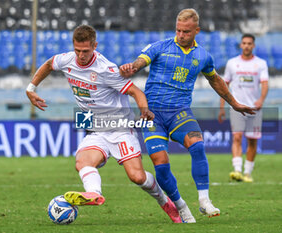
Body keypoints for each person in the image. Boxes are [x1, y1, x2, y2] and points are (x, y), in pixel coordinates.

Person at [26, 25, 183, 223]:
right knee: (82, 162)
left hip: (120, 128)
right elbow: (49, 64)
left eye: (85, 51)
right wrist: (31, 88)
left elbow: (136, 92)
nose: (81, 56)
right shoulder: (66, 60)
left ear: (95, 46)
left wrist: (144, 110)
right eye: (77, 51)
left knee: (137, 177)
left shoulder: (106, 69)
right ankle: (93, 193)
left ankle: (165, 202)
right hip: (96, 128)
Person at [119, 8, 256, 223]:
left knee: (198, 145)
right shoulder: (160, 47)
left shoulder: (203, 56)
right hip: (152, 114)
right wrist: (132, 67)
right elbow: (141, 61)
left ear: (196, 31)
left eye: (186, 31)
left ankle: (204, 200)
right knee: (160, 164)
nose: (181, 35)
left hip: (180, 112)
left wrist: (234, 103)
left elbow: (215, 80)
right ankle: (181, 206)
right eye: (178, 30)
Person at [218, 34, 269, 183]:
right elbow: (223, 86)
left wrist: (261, 100)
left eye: (249, 43)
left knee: (252, 141)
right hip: (237, 107)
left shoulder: (261, 64)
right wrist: (222, 107)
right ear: (241, 45)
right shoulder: (232, 63)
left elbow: (265, 83)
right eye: (244, 43)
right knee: (237, 137)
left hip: (254, 108)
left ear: (253, 46)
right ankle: (237, 170)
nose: (246, 46)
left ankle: (247, 172)